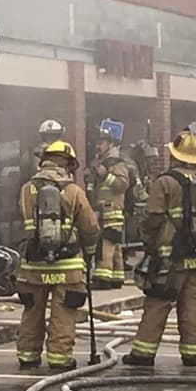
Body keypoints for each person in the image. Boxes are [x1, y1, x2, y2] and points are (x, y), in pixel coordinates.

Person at [122, 129, 196, 367]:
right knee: (194, 306)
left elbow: (153, 217)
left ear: (175, 156)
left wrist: (147, 239)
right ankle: (193, 354)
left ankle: (143, 354)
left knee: (158, 303)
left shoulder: (165, 183)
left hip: (170, 259)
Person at [14, 140, 100, 371]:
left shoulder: (26, 189)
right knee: (63, 313)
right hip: (67, 266)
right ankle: (59, 359)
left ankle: (28, 356)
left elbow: (23, 220)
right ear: (68, 165)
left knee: (32, 311)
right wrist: (90, 253)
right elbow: (90, 227)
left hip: (33, 266)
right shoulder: (73, 191)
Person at [86, 127, 131, 289]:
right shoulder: (100, 163)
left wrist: (106, 175)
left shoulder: (117, 163)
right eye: (97, 143)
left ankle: (102, 279)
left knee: (107, 243)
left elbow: (122, 185)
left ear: (110, 144)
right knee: (115, 245)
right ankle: (117, 277)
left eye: (101, 143)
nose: (98, 146)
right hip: (101, 209)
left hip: (112, 210)